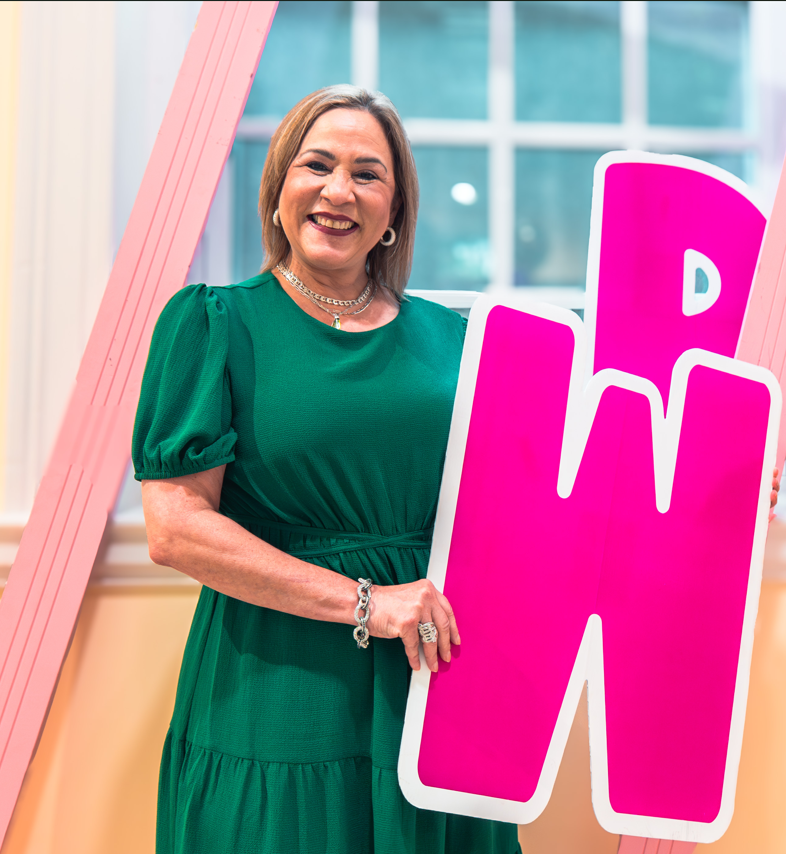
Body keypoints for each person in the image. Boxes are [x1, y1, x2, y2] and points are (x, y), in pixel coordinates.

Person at [133, 85, 520, 853]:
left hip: (432, 680)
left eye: (367, 174)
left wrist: (725, 488)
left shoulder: (458, 341)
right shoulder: (215, 322)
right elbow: (175, 529)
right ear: (278, 189)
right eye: (317, 165)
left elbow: (549, 486)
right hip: (278, 689)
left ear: (393, 211)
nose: (338, 191)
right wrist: (368, 604)